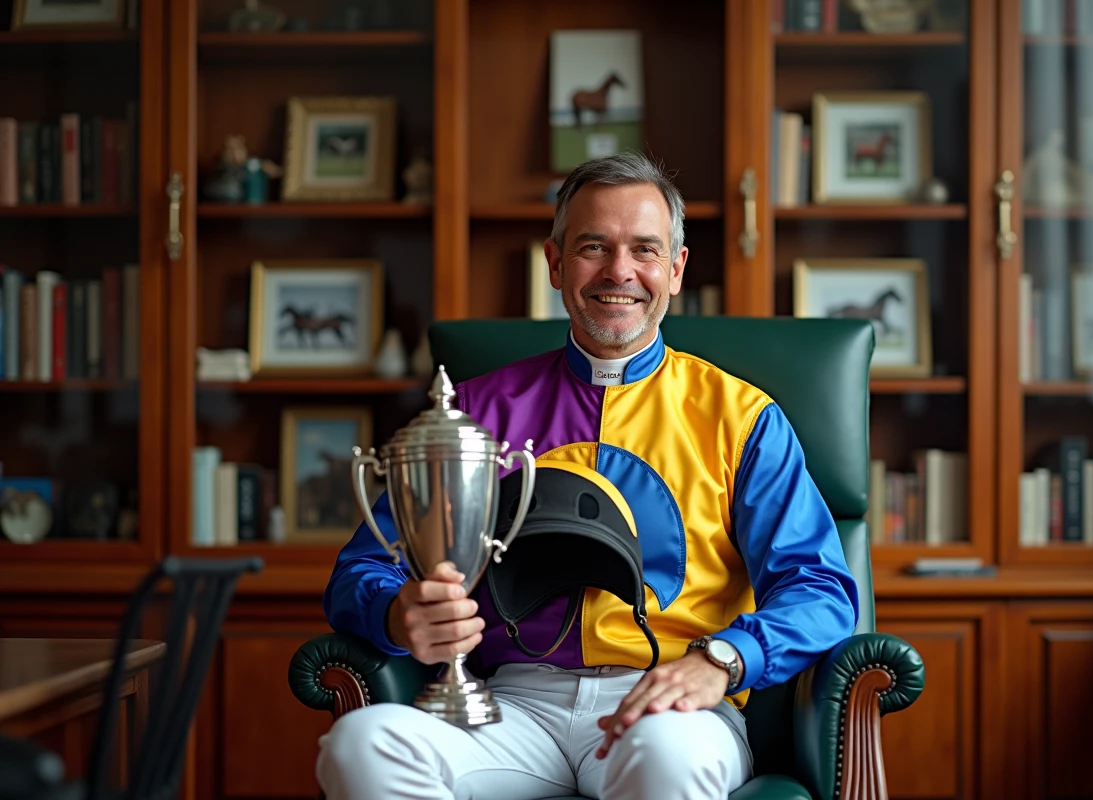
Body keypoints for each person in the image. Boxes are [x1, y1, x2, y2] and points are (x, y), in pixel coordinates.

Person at [316, 151, 860, 800]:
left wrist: (724, 658)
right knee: (360, 747)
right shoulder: (472, 412)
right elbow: (362, 568)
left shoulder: (744, 419)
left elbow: (820, 589)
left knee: (666, 761)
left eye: (646, 250)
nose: (620, 272)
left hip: (672, 705)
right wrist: (394, 612)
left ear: (677, 269)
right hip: (511, 705)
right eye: (593, 247)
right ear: (554, 262)